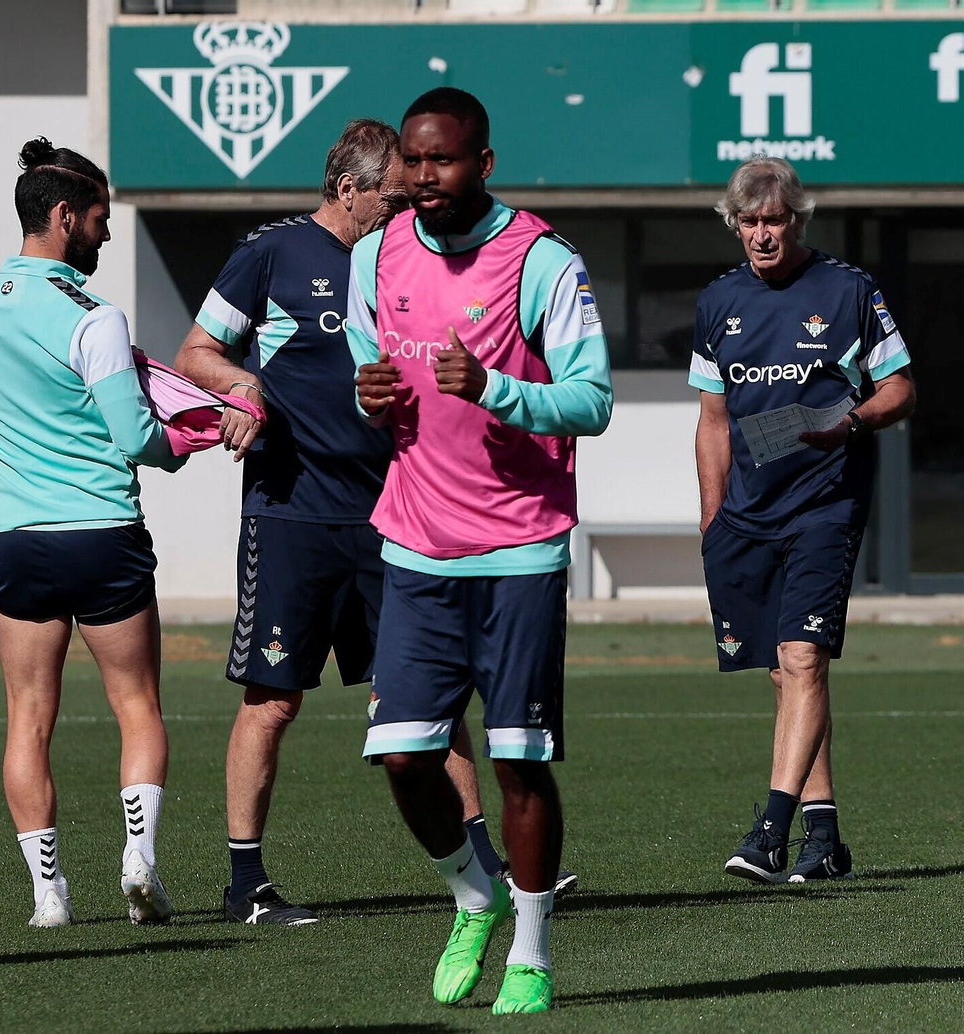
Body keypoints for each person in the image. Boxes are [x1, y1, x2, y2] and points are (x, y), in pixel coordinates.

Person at [176, 119, 570, 927]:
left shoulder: (402, 259)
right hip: (293, 512)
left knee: (430, 699)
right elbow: (194, 354)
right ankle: (245, 882)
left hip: (397, 514)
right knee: (273, 698)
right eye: (390, 197)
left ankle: (489, 865)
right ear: (348, 190)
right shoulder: (271, 253)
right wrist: (246, 389)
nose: (402, 211)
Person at [348, 87, 612, 1013]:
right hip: (414, 544)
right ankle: (474, 890)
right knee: (407, 759)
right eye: (411, 164)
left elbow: (593, 400)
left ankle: (532, 954)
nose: (424, 180)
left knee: (516, 759)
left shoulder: (541, 259)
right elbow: (364, 363)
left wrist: (498, 387)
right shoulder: (375, 253)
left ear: (484, 164)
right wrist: (367, 396)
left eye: (443, 162)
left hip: (520, 551)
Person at [0, 138, 187, 928]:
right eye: (98, 219)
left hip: (20, 540)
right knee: (137, 706)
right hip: (103, 534)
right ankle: (140, 862)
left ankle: (47, 895)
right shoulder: (94, 316)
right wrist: (187, 440)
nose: (106, 234)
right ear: (63, 216)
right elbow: (136, 439)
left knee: (28, 717)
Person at [691, 156, 915, 885]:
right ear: (734, 225)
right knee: (786, 679)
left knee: (803, 660)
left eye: (776, 220)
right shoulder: (716, 303)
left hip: (826, 503)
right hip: (748, 515)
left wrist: (850, 422)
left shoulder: (849, 290)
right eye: (750, 221)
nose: (763, 234)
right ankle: (824, 839)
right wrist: (711, 519)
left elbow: (902, 389)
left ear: (798, 221)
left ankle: (769, 832)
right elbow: (715, 422)